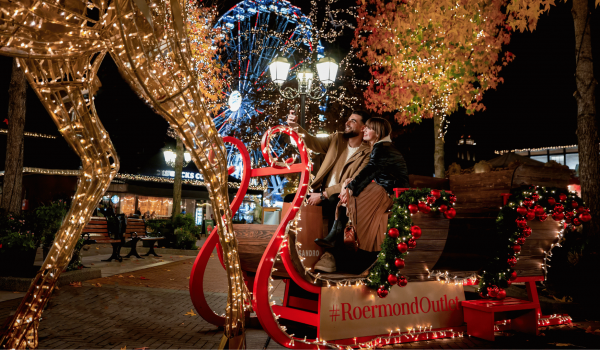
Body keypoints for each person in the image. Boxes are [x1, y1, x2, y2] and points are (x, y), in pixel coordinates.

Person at [315, 117, 409, 274]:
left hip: (389, 192)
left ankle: (340, 239)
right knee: (346, 191)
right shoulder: (381, 146)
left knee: (349, 196)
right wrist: (349, 186)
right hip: (383, 189)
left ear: (378, 132)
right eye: (364, 128)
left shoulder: (382, 147)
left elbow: (369, 171)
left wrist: (350, 189)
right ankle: (337, 234)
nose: (364, 130)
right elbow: (371, 173)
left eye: (369, 128)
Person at [286, 109, 371, 234]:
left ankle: (331, 250)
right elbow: (313, 142)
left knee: (334, 202)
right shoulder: (337, 139)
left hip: (341, 198)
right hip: (321, 195)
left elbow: (352, 182)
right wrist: (296, 128)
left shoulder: (367, 153)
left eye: (353, 121)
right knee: (289, 198)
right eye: (348, 119)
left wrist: (323, 195)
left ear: (363, 128)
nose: (347, 123)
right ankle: (286, 243)